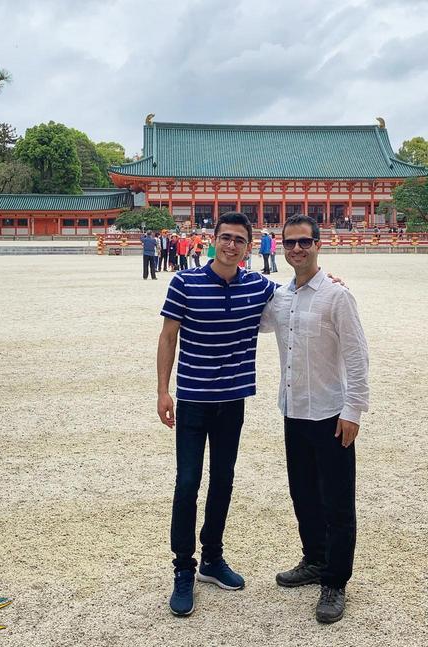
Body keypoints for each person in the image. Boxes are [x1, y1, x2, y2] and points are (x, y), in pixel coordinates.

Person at [157, 212, 277, 617]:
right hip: (192, 397)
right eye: (225, 238)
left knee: (223, 480)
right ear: (213, 240)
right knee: (187, 482)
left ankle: (212, 558)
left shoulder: (259, 287)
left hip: (232, 400)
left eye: (239, 240)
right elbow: (168, 335)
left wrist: (332, 280)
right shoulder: (185, 283)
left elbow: (298, 293)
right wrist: (162, 390)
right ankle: (183, 567)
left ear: (249, 246)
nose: (231, 245)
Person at [259, 214, 369, 625]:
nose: (297, 249)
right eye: (290, 243)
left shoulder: (337, 296)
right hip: (293, 410)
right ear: (281, 248)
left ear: (319, 245)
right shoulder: (280, 297)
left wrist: (354, 409)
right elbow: (253, 320)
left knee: (337, 500)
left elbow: (357, 355)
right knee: (302, 492)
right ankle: (315, 558)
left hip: (330, 412)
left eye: (305, 242)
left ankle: (336, 580)